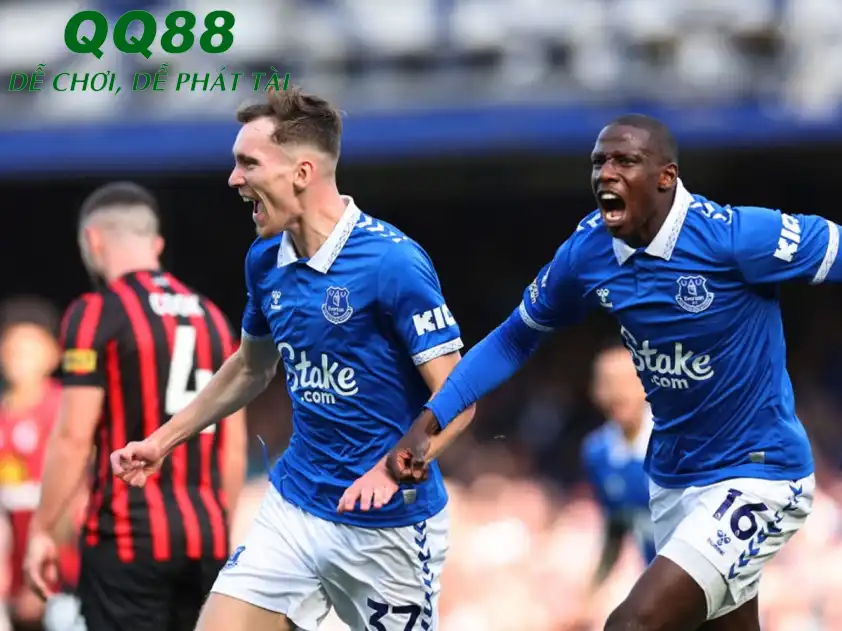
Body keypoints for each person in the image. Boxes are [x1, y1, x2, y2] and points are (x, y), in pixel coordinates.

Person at [363, 114, 831, 631]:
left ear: (666, 177)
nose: (606, 173)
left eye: (625, 161)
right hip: (674, 481)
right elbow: (515, 337)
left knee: (630, 623)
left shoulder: (737, 237)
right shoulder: (589, 251)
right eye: (599, 162)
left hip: (758, 473)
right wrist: (429, 422)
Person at [109, 86, 475, 631]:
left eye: (248, 163)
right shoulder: (265, 259)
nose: (233, 179)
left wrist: (393, 467)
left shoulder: (391, 263)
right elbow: (251, 367)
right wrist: (161, 441)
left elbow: (460, 396)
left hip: (387, 527)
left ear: (302, 172)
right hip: (295, 507)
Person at [23, 182, 247, 631]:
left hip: (126, 539)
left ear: (93, 240)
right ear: (156, 244)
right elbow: (234, 446)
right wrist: (217, 524)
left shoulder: (95, 312)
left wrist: (42, 530)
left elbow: (72, 438)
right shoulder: (213, 318)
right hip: (206, 538)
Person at [0, 297, 84, 631]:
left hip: (59, 570)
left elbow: (75, 492)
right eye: (13, 348)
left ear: (53, 354)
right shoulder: (3, 414)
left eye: (30, 348)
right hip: (9, 566)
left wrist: (43, 575)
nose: (20, 358)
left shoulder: (64, 408)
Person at [581, 342, 655, 593]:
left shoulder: (681, 442)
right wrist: (591, 591)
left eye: (626, 382)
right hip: (657, 583)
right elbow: (617, 525)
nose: (617, 393)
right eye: (607, 383)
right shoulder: (597, 452)